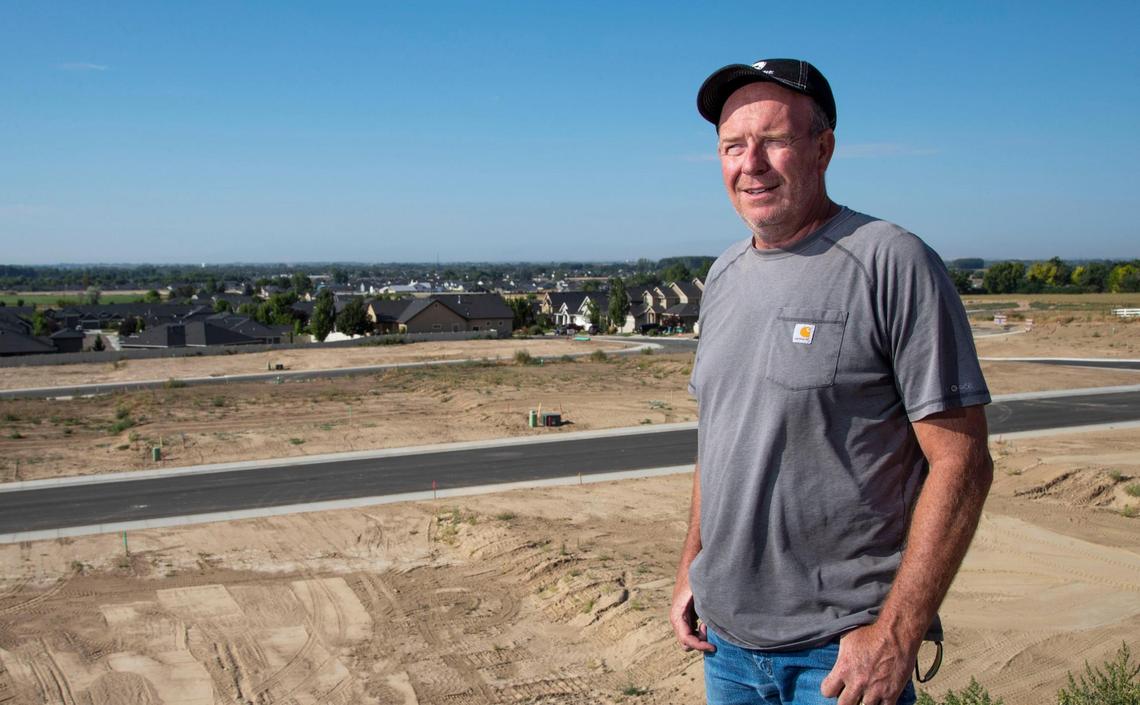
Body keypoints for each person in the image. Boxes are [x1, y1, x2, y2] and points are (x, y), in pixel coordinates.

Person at [670, 58, 994, 705]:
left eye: (774, 140)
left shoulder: (891, 262)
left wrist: (897, 633)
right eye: (733, 146)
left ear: (823, 148)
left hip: (838, 656)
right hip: (726, 649)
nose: (751, 163)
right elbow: (724, 438)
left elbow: (963, 463)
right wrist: (692, 565)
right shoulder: (723, 276)